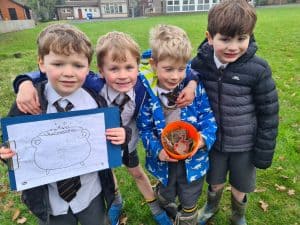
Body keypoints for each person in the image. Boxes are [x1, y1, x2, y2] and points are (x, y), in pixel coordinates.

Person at [11, 32, 199, 225]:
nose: (123, 75)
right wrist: (24, 82)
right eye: (114, 69)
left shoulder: (143, 84)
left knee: (136, 172)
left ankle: (155, 208)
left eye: (129, 67)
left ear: (138, 67)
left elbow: (186, 66)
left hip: (129, 140)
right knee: (105, 174)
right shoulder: (93, 84)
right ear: (101, 70)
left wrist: (192, 84)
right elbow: (55, 71)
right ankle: (115, 201)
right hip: (99, 145)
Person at [0, 24, 121, 225]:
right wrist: (6, 154)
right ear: (41, 64)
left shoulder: (95, 101)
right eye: (58, 64)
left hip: (91, 193)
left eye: (78, 65)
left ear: (88, 66)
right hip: (51, 200)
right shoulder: (29, 103)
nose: (68, 73)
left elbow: (113, 136)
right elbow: (11, 142)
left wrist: (121, 135)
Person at [190, 1, 279, 224]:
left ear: (250, 36)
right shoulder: (199, 64)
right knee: (215, 182)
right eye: (225, 39)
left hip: (244, 145)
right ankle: (211, 207)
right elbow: (185, 83)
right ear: (210, 37)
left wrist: (264, 150)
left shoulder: (258, 69)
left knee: (241, 187)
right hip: (214, 142)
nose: (233, 47)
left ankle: (238, 215)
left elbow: (269, 113)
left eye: (241, 39)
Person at [136, 24, 217, 225]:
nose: (175, 76)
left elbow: (210, 122)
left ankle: (187, 217)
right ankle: (165, 199)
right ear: (154, 64)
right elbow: (144, 130)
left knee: (190, 197)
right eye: (168, 69)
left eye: (181, 69)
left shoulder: (194, 90)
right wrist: (157, 150)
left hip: (194, 161)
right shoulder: (147, 93)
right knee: (167, 192)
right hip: (164, 162)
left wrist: (201, 141)